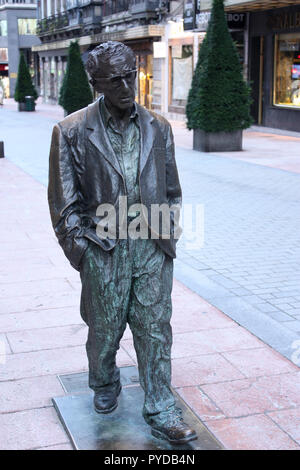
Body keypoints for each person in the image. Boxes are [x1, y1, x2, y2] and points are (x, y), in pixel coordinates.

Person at [48, 41, 197, 445]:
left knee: (154, 330)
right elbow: (64, 205)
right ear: (96, 83)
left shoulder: (158, 127)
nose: (126, 84)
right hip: (104, 250)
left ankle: (161, 407)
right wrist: (84, 254)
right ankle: (104, 381)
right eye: (114, 79)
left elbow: (172, 190)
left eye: (130, 74)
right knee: (104, 331)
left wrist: (167, 238)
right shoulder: (71, 131)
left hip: (151, 248)